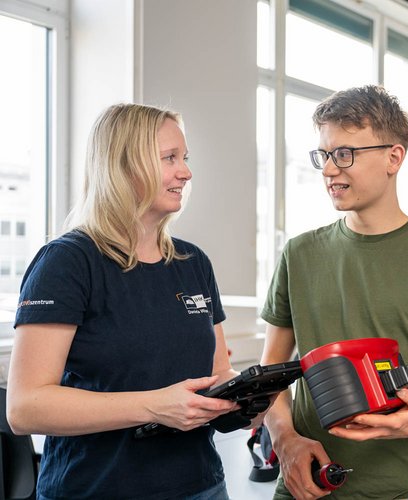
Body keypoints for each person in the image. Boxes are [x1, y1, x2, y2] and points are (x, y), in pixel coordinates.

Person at [6, 103, 260, 499]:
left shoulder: (193, 263)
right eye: (169, 158)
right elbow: (25, 408)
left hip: (201, 486)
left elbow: (218, 372)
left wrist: (249, 396)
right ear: (124, 167)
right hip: (97, 489)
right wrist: (154, 406)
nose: (186, 172)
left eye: (185, 158)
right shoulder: (69, 262)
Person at [260, 85, 408, 500]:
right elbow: (269, 376)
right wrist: (284, 439)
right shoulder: (299, 253)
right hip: (308, 487)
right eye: (324, 156)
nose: (329, 169)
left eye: (344, 154)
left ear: (393, 158)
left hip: (406, 489)